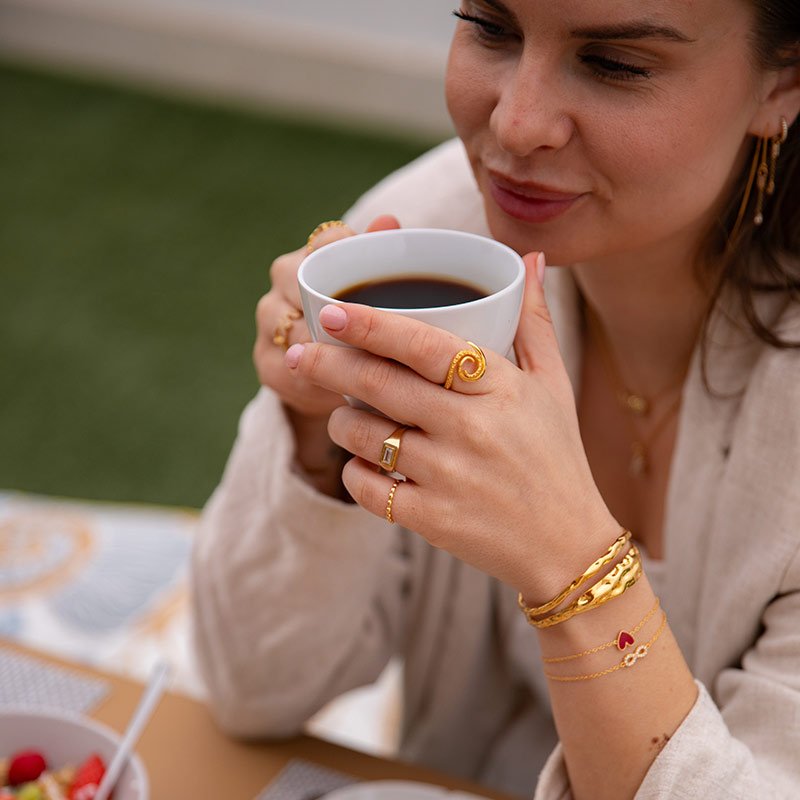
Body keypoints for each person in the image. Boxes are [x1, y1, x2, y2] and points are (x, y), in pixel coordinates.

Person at [191, 1, 800, 797]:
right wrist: (318, 429)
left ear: (781, 84)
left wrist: (570, 563)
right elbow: (253, 689)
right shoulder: (427, 241)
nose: (516, 125)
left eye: (616, 63)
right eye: (489, 26)